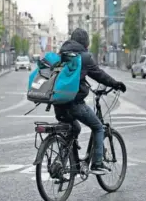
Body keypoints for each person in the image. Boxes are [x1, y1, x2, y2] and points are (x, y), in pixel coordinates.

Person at [54, 28, 126, 175]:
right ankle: (97, 164)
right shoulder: (84, 57)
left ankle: (59, 162)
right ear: (85, 42)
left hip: (58, 104)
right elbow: (99, 74)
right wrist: (116, 84)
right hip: (74, 104)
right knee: (99, 127)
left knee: (75, 129)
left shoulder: (61, 55)